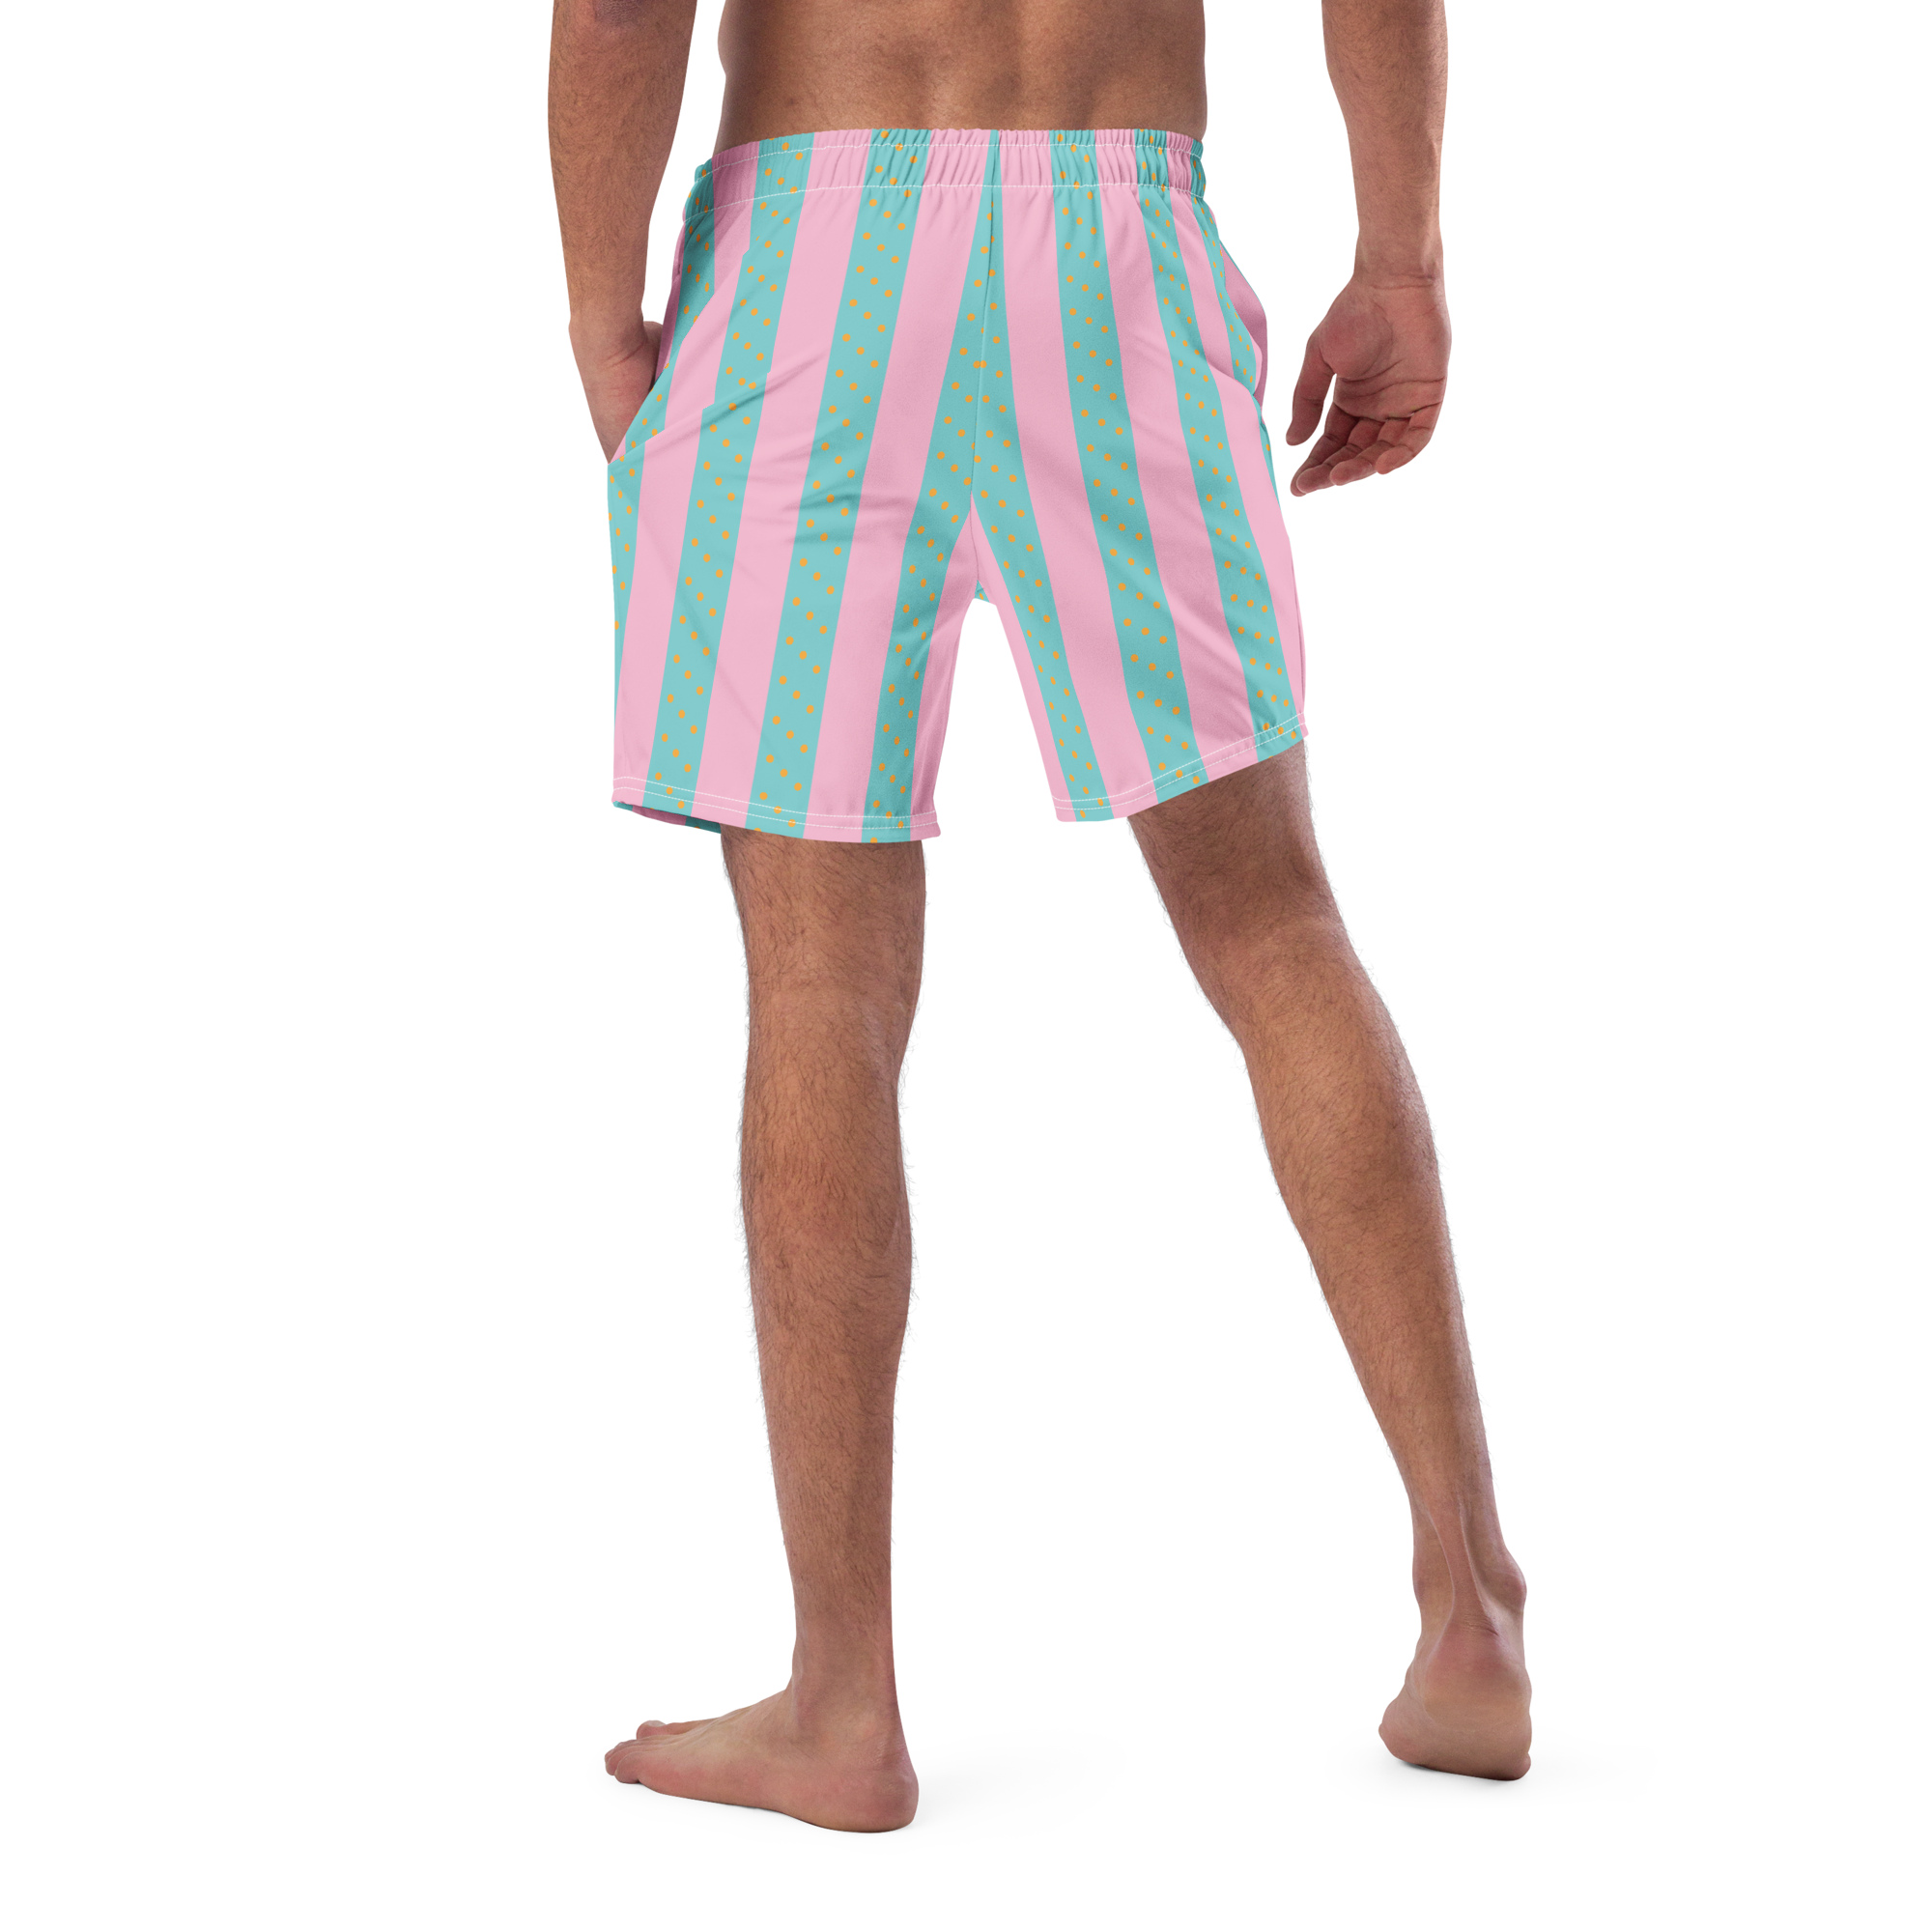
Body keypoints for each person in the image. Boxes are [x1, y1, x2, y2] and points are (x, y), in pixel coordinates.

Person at [552, 0, 1527, 1830]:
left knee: (821, 979)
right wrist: (1401, 250)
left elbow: (617, 8)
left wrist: (606, 320)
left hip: (807, 249)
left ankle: (845, 1703)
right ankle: (1468, 1601)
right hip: (1113, 229)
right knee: (1272, 922)